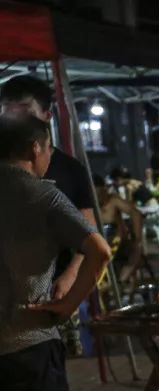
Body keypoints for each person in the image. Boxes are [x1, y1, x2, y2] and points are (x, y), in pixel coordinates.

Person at [0, 116, 111, 391]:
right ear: (34, 148)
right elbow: (99, 251)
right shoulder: (42, 194)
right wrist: (69, 305)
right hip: (30, 338)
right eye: (47, 150)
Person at [0, 75, 96, 302]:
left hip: (54, 292)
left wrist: (71, 274)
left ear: (47, 116)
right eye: (7, 112)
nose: (15, 121)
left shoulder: (70, 169)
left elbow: (90, 230)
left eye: (24, 112)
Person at [93, 174, 144, 283]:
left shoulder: (113, 200)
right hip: (99, 247)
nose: (98, 198)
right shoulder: (88, 206)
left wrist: (137, 237)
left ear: (104, 190)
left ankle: (121, 281)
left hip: (119, 244)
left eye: (99, 194)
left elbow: (136, 214)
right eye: (94, 195)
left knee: (136, 250)